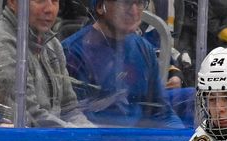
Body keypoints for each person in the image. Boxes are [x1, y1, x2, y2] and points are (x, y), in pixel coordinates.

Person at [0, 0, 92, 127]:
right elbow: (30, 119)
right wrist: (81, 138)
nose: (49, 9)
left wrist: (93, 135)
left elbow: (69, 107)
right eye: (40, 0)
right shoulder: (0, 47)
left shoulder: (52, 44)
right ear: (12, 2)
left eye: (54, 1)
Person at [61, 0, 183, 128]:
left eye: (140, 2)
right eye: (126, 3)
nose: (134, 11)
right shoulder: (73, 53)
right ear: (100, 7)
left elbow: (163, 113)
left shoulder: (144, 48)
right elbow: (75, 120)